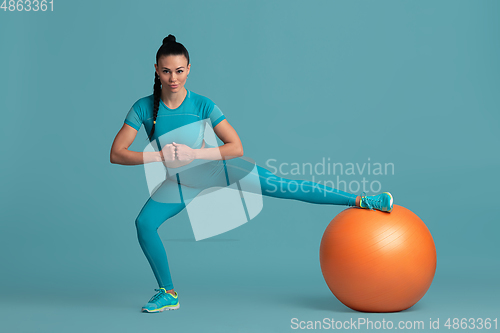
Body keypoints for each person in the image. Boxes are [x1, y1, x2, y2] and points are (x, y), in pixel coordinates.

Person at [110, 34, 394, 313]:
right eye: (167, 71)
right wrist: (158, 157)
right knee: (144, 224)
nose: (174, 78)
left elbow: (235, 147)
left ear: (189, 70)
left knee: (285, 187)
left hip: (216, 170)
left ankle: (363, 201)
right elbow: (117, 153)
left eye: (180, 71)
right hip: (181, 183)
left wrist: (193, 154)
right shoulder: (143, 108)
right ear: (157, 70)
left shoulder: (202, 104)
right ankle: (168, 293)